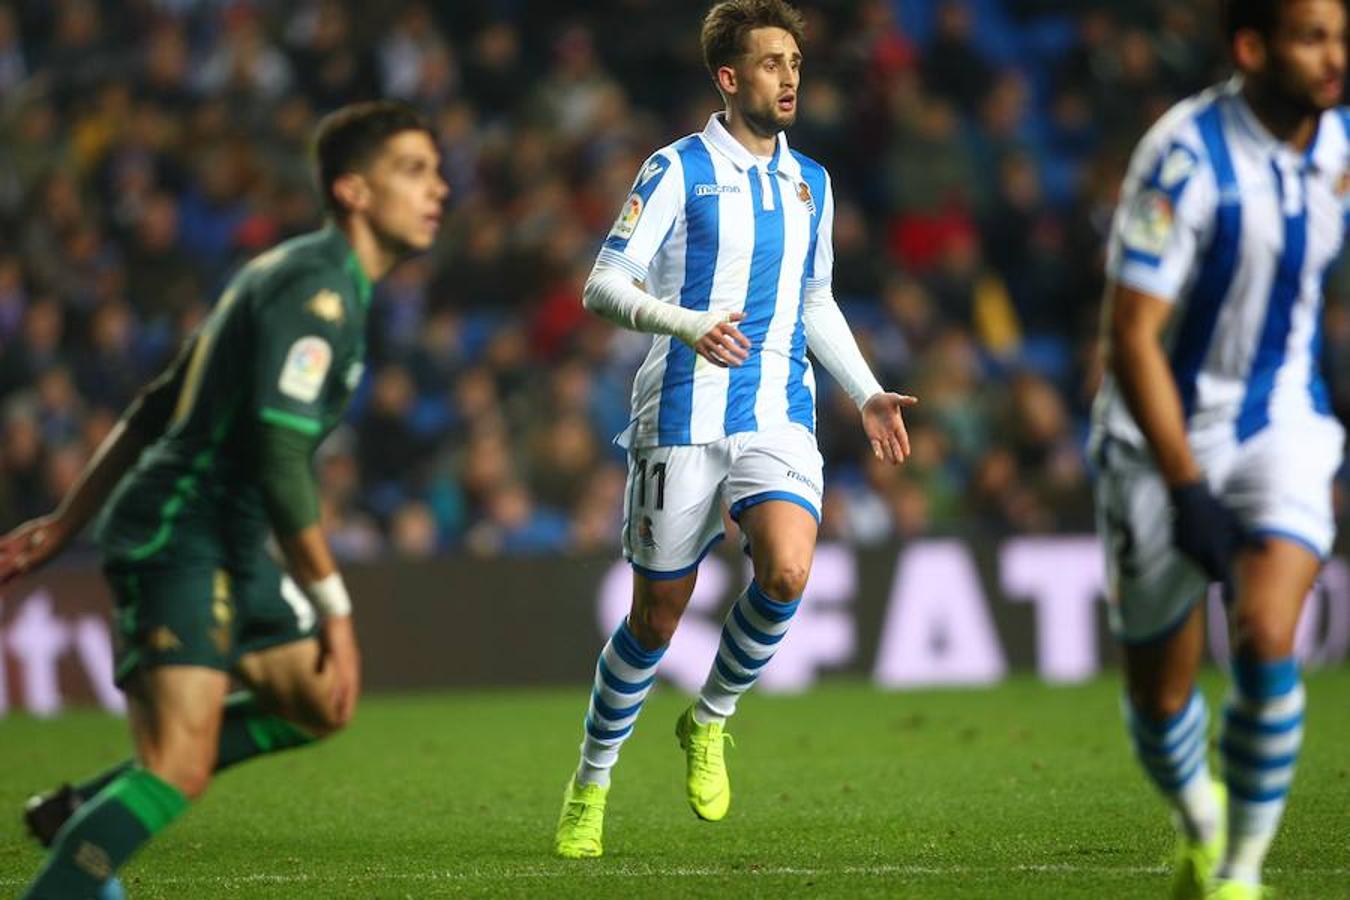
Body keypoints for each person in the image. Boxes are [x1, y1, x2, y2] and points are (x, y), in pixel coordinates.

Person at [1, 99, 448, 899]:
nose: (437, 189)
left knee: (319, 703)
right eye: (414, 171)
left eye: (437, 171)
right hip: (182, 529)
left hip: (231, 537)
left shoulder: (310, 279)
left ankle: (83, 809)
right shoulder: (314, 290)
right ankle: (73, 871)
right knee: (178, 769)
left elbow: (155, 403)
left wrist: (65, 521)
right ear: (352, 191)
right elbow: (278, 457)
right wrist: (336, 612)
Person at [553, 0, 915, 860]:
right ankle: (592, 778)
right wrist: (683, 322)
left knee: (788, 570)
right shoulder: (675, 168)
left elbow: (814, 299)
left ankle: (710, 718)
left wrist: (863, 391)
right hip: (679, 412)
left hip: (777, 412)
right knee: (654, 620)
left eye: (795, 61)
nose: (790, 76)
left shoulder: (812, 183)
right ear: (728, 76)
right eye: (770, 62)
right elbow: (602, 286)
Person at [1090, 2, 1347, 898]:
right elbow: (1132, 336)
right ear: (1253, 48)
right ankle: (1200, 820)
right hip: (1156, 437)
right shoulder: (1186, 156)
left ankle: (1240, 875)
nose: (1334, 57)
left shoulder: (1342, 147)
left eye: (1342, 37)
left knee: (1267, 633)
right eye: (1312, 38)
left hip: (1282, 422)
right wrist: (1187, 485)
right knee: (1161, 700)